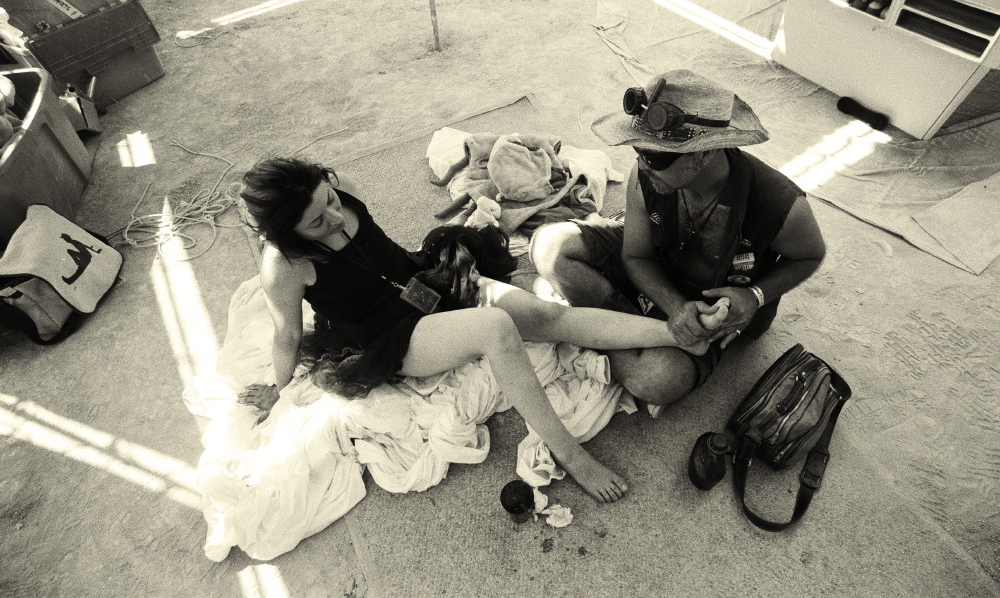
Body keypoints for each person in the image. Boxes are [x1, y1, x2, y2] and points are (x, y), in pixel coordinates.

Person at [236, 156, 729, 503]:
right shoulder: (283, 266)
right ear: (288, 234)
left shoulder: (340, 190)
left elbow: (378, 255)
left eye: (330, 201)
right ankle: (572, 456)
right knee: (495, 328)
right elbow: (286, 336)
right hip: (388, 335)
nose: (334, 216)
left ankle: (678, 334)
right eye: (317, 222)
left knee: (546, 317)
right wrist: (280, 393)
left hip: (424, 282)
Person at [529, 69, 826, 408]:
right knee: (547, 246)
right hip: (660, 269)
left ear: (703, 153)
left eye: (655, 156)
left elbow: (810, 255)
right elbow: (636, 256)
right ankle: (633, 328)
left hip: (710, 304)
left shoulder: (780, 202)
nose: (642, 164)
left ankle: (604, 325)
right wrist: (675, 308)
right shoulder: (646, 176)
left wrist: (755, 296)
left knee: (654, 381)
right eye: (638, 149)